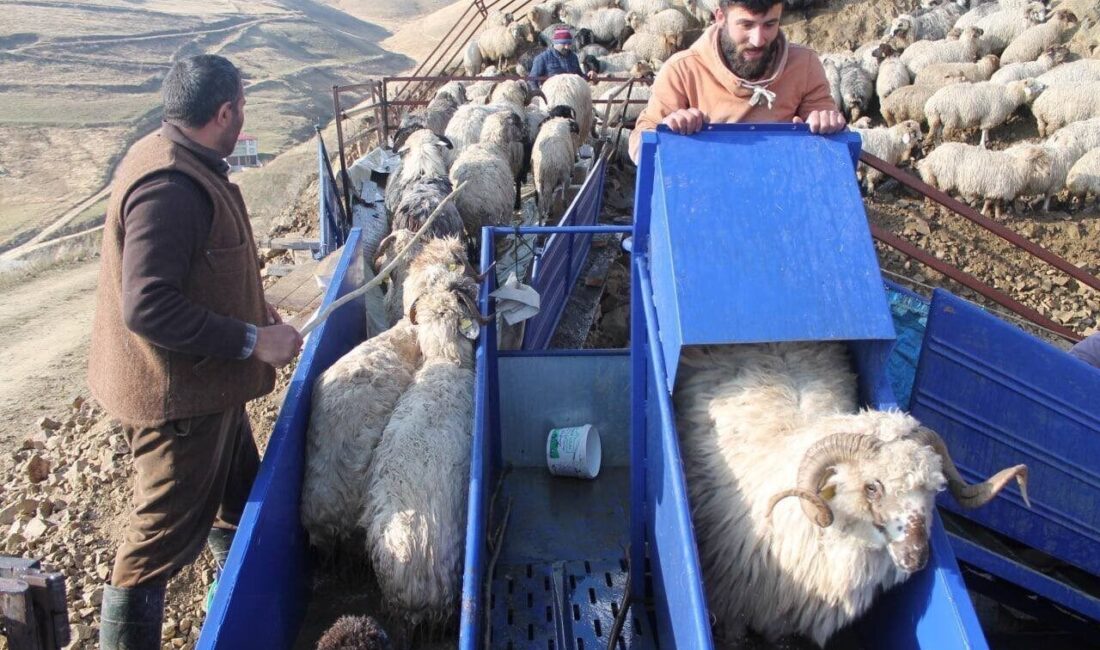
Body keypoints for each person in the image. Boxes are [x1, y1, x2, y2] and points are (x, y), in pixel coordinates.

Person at [87, 54, 303, 649]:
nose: (244, 118)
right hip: (178, 402)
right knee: (152, 547)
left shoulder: (178, 155)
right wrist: (254, 340)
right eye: (243, 107)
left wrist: (252, 312)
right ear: (225, 111)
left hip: (211, 386)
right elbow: (147, 304)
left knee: (240, 491)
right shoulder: (169, 187)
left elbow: (200, 266)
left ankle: (239, 604)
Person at [629, 0, 846, 162]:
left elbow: (829, 130)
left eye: (770, 24)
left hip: (782, 193)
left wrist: (826, 122)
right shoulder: (682, 70)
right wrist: (666, 130)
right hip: (705, 199)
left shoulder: (805, 65)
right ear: (720, 17)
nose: (758, 39)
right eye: (746, 25)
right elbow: (639, 143)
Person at [528, 27, 595, 89]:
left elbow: (579, 76)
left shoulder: (573, 57)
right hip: (552, 97)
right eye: (564, 44)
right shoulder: (542, 58)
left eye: (569, 44)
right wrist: (539, 97)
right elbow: (532, 80)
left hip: (572, 96)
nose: (567, 47)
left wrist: (588, 76)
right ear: (556, 43)